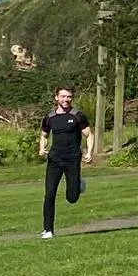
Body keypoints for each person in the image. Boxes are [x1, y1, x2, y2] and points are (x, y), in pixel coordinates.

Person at [38, 85, 93, 239]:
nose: (66, 99)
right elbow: (44, 135)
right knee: (49, 194)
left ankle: (78, 184)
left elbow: (88, 135)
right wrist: (42, 148)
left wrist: (89, 152)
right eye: (63, 96)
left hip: (72, 159)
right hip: (54, 160)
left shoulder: (78, 116)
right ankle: (48, 229)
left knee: (72, 197)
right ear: (56, 98)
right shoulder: (50, 117)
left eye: (68, 97)